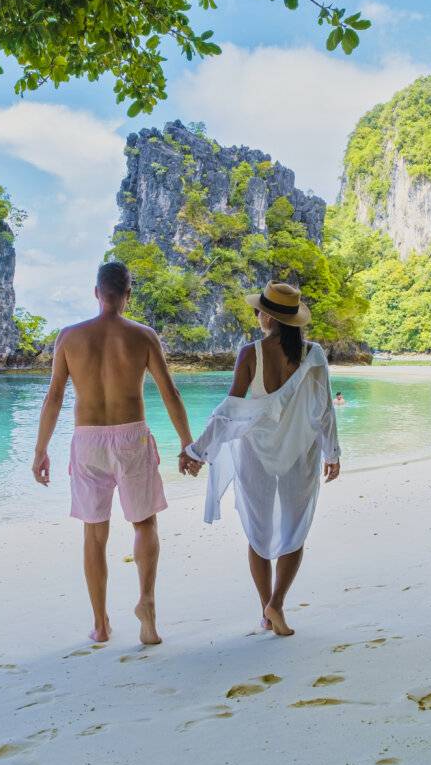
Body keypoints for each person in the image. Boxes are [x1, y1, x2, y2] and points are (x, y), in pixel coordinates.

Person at [32, 260, 195, 646]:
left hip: (88, 440)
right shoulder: (143, 336)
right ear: (127, 294)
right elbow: (170, 392)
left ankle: (101, 624)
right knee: (145, 524)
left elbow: (54, 396)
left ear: (95, 293)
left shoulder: (69, 337)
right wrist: (187, 444)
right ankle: (147, 606)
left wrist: (40, 450)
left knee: (94, 532)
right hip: (131, 438)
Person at [180, 282, 340, 637]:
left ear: (268, 316)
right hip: (301, 453)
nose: (256, 315)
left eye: (259, 310)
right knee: (294, 532)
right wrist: (333, 452)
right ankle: (277, 604)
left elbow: (229, 413)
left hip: (257, 454)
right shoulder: (315, 355)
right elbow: (325, 409)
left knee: (259, 534)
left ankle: (266, 611)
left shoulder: (250, 353)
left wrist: (196, 451)